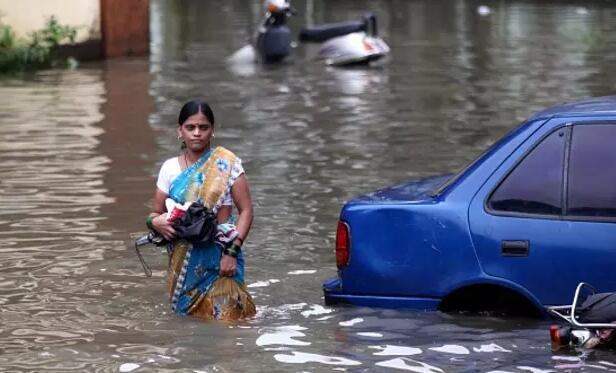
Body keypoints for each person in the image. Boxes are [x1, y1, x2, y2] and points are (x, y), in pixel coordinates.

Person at [146, 99, 256, 320]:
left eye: (203, 127)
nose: (197, 133)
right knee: (187, 325)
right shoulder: (169, 168)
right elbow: (155, 214)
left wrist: (231, 253)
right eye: (190, 127)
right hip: (184, 262)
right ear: (180, 131)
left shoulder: (227, 164)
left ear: (212, 131)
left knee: (230, 322)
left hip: (222, 258)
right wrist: (154, 222)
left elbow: (246, 211)